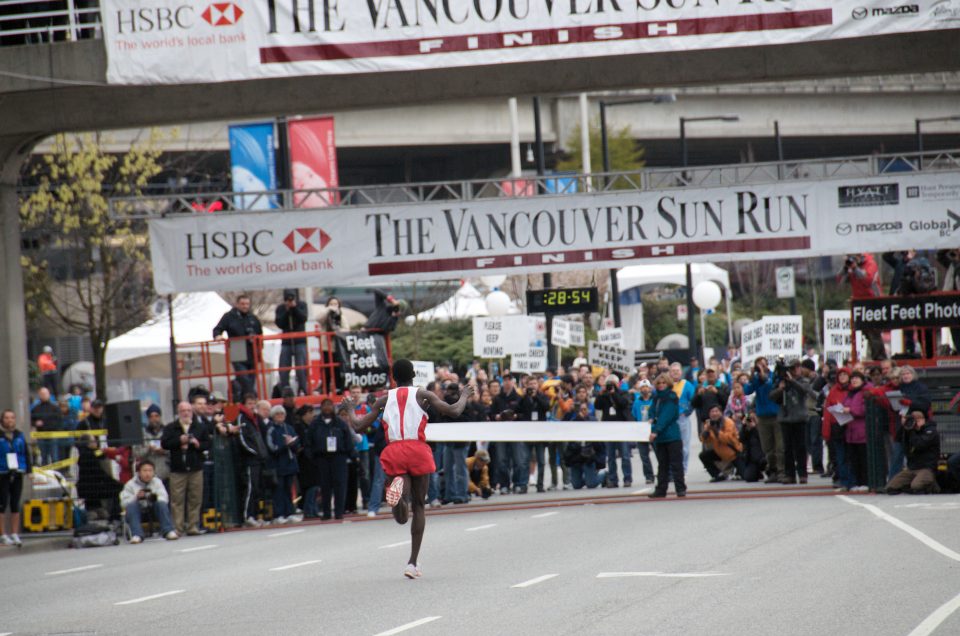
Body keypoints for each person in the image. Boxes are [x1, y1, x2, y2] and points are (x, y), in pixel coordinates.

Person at [344, 359, 473, 580]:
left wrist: (349, 409)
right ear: (414, 374)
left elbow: (358, 425)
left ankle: (398, 500)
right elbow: (453, 411)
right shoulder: (423, 395)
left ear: (393, 377)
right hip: (417, 449)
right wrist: (464, 395)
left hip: (394, 449)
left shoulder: (384, 399)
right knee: (420, 506)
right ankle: (412, 562)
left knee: (401, 515)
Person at [161, 401, 210, 536]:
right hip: (178, 468)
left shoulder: (199, 427)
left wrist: (197, 444)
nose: (186, 413)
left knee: (195, 498)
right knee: (177, 500)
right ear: (179, 412)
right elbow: (164, 443)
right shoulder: (171, 428)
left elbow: (207, 444)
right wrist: (179, 441)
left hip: (195, 467)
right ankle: (178, 527)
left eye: (188, 410)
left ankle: (193, 526)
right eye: (183, 410)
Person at [769, 360, 814, 484]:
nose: (794, 371)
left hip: (799, 418)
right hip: (785, 418)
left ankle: (803, 474)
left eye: (795, 368)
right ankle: (790, 475)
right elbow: (772, 396)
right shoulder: (781, 382)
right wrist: (780, 389)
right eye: (791, 368)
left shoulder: (804, 381)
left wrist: (792, 381)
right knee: (787, 448)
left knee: (800, 447)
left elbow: (804, 391)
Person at [308, 399, 353, 521]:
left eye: (330, 405)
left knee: (340, 485)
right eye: (325, 405)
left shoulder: (340, 423)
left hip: (339, 457)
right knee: (325, 486)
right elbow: (309, 442)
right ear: (321, 408)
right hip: (322, 458)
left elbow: (348, 440)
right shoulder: (315, 424)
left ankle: (339, 512)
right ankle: (326, 512)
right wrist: (312, 457)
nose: (328, 408)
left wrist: (351, 456)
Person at [213, 294, 263, 398]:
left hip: (252, 350)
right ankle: (253, 397)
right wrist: (217, 336)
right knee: (243, 377)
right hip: (237, 347)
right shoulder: (229, 316)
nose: (245, 306)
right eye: (242, 304)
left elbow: (260, 335)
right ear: (237, 304)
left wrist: (259, 349)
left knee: (251, 378)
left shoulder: (252, 317)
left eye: (247, 304)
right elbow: (218, 328)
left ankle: (245, 398)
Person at [744, 357, 784, 484]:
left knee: (779, 446)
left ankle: (781, 472)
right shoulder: (756, 379)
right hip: (762, 416)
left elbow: (770, 385)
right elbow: (747, 390)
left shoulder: (774, 376)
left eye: (763, 365)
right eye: (758, 365)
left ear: (767, 365)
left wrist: (762, 374)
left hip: (776, 415)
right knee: (767, 447)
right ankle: (772, 471)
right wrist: (752, 376)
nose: (760, 367)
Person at [120, 460, 179, 543]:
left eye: (150, 471)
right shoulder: (130, 484)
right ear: (139, 472)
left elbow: (164, 497)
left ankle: (168, 531)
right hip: (137, 510)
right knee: (131, 506)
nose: (147, 473)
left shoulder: (157, 482)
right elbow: (124, 502)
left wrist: (154, 497)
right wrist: (136, 497)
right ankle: (137, 535)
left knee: (161, 504)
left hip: (153, 509)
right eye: (144, 471)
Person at [885, 408, 940, 495]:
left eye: (917, 419)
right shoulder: (909, 431)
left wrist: (912, 431)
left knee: (917, 486)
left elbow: (919, 444)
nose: (914, 422)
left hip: (926, 468)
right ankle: (909, 486)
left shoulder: (930, 431)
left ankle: (932, 485)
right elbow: (898, 440)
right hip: (912, 468)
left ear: (922, 420)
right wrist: (905, 427)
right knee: (891, 487)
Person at [841, 253, 885, 360]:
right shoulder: (853, 266)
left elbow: (867, 280)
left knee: (874, 332)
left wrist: (855, 268)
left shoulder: (870, 263)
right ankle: (876, 356)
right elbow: (842, 281)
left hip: (873, 303)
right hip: (860, 304)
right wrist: (845, 269)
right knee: (866, 332)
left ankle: (880, 358)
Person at [648, 374, 686, 498]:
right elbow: (652, 411)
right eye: (659, 383)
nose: (661, 385)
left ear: (668, 384)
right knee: (662, 464)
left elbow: (666, 416)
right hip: (661, 437)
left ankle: (680, 488)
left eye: (664, 383)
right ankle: (661, 489)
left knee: (676, 464)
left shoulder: (671, 397)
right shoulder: (656, 398)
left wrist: (656, 430)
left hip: (672, 435)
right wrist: (651, 418)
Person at [236, 394, 269, 527]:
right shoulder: (242, 418)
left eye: (254, 403)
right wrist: (253, 452)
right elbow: (242, 439)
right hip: (250, 459)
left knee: (257, 488)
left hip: (258, 458)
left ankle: (255, 514)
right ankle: (247, 515)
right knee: (250, 488)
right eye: (249, 403)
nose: (252, 406)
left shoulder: (255, 419)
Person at [595, 374, 633, 488]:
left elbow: (623, 404)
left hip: (621, 428)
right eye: (609, 383)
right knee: (610, 456)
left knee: (625, 455)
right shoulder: (604, 395)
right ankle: (612, 479)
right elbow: (597, 406)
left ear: (618, 384)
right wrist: (601, 394)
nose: (611, 386)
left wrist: (614, 393)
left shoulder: (623, 393)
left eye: (613, 383)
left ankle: (627, 478)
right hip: (609, 429)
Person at [266, 405, 301, 524]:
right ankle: (279, 514)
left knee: (288, 490)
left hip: (290, 464)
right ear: (273, 416)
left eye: (282, 414)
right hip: (278, 464)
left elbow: (297, 445)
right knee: (279, 490)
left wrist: (292, 444)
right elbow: (272, 448)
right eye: (277, 414)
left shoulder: (289, 428)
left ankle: (289, 512)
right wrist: (284, 445)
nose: (280, 416)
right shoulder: (271, 429)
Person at [1, 410, 31, 546]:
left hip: (17, 471)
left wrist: (29, 470)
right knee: (2, 503)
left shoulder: (19, 435)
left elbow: (26, 452)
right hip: (2, 472)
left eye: (12, 417)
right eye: (6, 418)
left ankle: (14, 533)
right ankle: (3, 534)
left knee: (15, 503)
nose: (9, 420)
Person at [563, 402, 607, 489]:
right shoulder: (573, 423)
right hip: (576, 457)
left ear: (588, 410)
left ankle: (604, 475)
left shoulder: (593, 421)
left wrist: (599, 460)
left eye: (584, 409)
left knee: (591, 484)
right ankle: (588, 478)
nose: (583, 411)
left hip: (588, 457)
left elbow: (599, 443)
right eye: (581, 410)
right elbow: (570, 443)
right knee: (576, 485)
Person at [839, 371, 869, 492]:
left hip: (862, 430)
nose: (854, 380)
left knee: (863, 458)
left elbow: (864, 409)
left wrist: (850, 410)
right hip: (851, 430)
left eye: (856, 378)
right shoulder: (851, 393)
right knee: (854, 459)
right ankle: (856, 482)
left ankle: (865, 482)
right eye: (852, 378)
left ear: (862, 380)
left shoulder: (866, 391)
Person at [275, 290, 309, 395]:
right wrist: (287, 310)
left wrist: (294, 308)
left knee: (301, 367)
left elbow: (303, 318)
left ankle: (303, 388)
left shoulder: (302, 305)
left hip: (300, 341)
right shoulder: (280, 308)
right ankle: (284, 388)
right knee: (284, 367)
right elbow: (279, 323)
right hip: (286, 342)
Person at [699, 405, 744, 482]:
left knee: (746, 475)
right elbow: (704, 440)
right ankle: (718, 475)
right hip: (720, 452)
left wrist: (715, 430)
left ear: (721, 412)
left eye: (716, 411)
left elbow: (728, 439)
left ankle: (739, 472)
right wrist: (706, 432)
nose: (714, 413)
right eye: (712, 412)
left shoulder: (728, 422)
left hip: (733, 453)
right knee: (703, 455)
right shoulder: (709, 424)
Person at [668, 363, 696, 473]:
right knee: (671, 446)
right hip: (669, 420)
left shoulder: (687, 385)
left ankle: (683, 469)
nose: (675, 372)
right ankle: (672, 470)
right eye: (673, 370)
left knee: (684, 446)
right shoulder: (666, 385)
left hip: (682, 419)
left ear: (681, 372)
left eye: (677, 370)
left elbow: (693, 400)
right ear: (670, 372)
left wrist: (687, 412)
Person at [631, 379, 656, 485]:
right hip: (641, 431)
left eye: (646, 386)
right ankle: (649, 476)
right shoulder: (637, 402)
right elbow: (634, 416)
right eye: (642, 387)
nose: (645, 389)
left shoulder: (654, 400)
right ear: (640, 389)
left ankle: (666, 474)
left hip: (654, 429)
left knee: (660, 453)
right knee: (644, 456)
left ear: (650, 388)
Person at [31, 387, 62, 465]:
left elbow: (59, 421)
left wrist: (45, 424)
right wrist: (35, 423)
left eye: (45, 394)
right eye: (42, 394)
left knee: (54, 456)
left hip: (53, 434)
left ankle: (55, 474)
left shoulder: (55, 408)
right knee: (43, 456)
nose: (43, 396)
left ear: (49, 395)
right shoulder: (36, 408)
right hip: (41, 435)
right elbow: (31, 420)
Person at [738, 413, 767, 482]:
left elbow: (763, 439)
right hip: (752, 459)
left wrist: (755, 428)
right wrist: (744, 426)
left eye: (753, 419)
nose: (751, 421)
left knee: (764, 461)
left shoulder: (763, 427)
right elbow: (741, 439)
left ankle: (770, 471)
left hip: (763, 457)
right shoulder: (747, 431)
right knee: (749, 478)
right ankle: (758, 473)